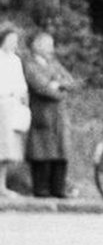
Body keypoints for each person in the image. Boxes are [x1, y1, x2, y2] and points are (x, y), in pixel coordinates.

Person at [23, 30, 77, 199]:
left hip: (59, 115)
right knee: (41, 151)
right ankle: (41, 189)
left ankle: (58, 189)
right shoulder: (30, 64)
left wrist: (57, 85)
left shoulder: (54, 63)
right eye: (48, 45)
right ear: (36, 46)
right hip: (42, 113)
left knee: (61, 151)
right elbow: (41, 87)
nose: (51, 49)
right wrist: (57, 87)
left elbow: (70, 82)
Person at [0, 25, 31, 197]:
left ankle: (2, 186)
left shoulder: (15, 60)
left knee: (7, 149)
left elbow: (21, 84)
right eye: (10, 40)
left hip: (12, 105)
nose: (13, 43)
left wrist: (24, 101)